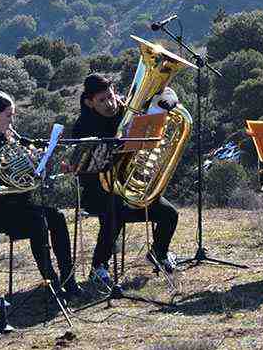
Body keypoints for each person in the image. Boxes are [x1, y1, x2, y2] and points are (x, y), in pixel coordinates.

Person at [0, 91, 80, 300]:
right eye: (8, 116)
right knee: (37, 222)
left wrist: (34, 162)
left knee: (56, 216)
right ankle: (52, 282)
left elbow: (27, 167)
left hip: (16, 203)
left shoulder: (6, 136)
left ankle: (69, 279)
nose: (12, 121)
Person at [70, 73, 180, 290]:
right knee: (115, 213)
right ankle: (98, 267)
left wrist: (169, 101)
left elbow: (165, 93)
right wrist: (118, 145)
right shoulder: (83, 126)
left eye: (110, 96)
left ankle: (159, 253)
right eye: (102, 100)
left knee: (169, 214)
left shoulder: (126, 109)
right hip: (97, 190)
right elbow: (85, 166)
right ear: (89, 102)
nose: (110, 103)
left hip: (126, 186)